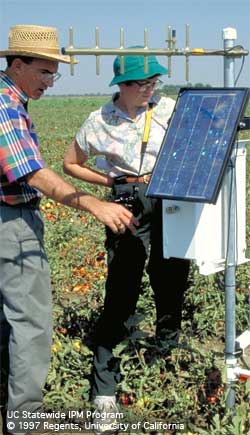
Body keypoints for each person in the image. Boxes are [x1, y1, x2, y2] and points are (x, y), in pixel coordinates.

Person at [0, 24, 138, 434]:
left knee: (8, 318)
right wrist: (92, 203)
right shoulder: (5, 107)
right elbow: (31, 172)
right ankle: (25, 419)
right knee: (30, 321)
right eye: (45, 72)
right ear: (18, 64)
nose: (50, 81)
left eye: (53, 73)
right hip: (11, 221)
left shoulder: (14, 102)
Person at [63, 48, 190, 430]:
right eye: (143, 83)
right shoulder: (99, 120)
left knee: (171, 276)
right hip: (127, 202)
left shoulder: (168, 109)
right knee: (122, 287)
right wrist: (111, 182)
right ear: (123, 84)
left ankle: (167, 352)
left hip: (169, 196)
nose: (151, 89)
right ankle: (104, 390)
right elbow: (71, 162)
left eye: (155, 82)